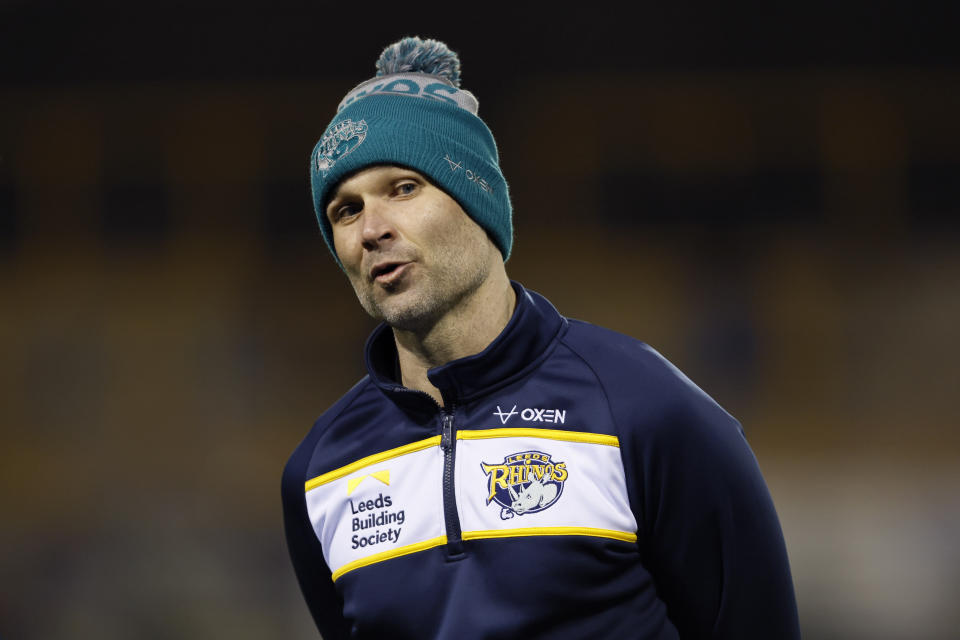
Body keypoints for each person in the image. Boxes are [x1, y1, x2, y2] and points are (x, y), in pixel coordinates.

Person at [281, 36, 800, 639]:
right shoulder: (318, 473)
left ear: (476, 198)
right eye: (345, 210)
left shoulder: (645, 410)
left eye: (404, 188)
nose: (372, 229)